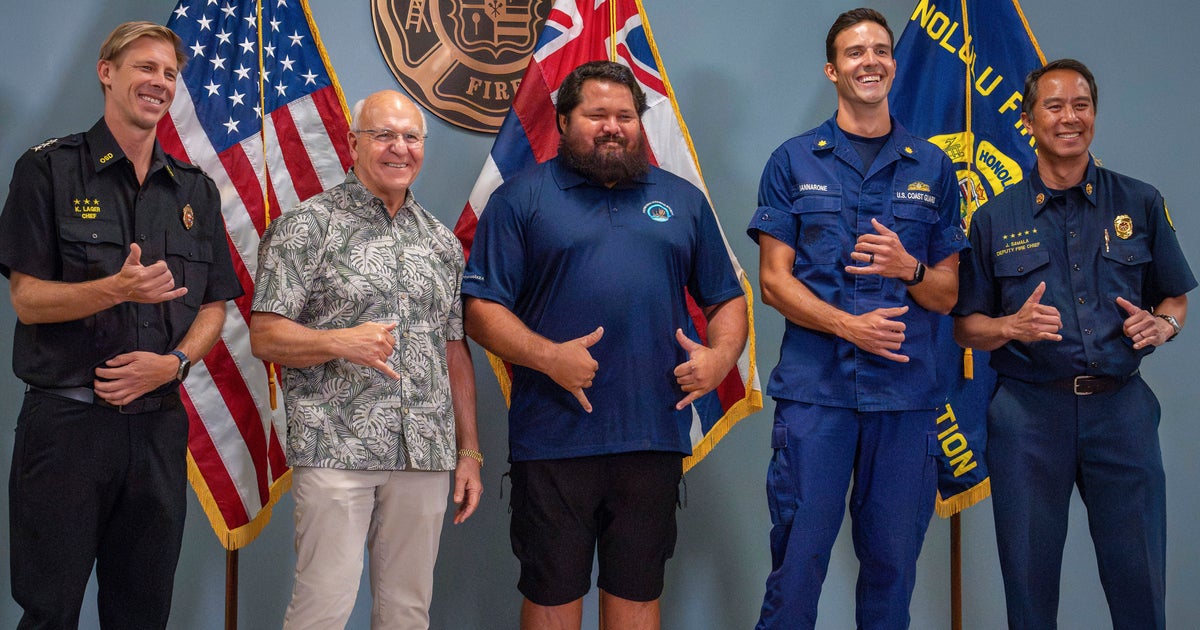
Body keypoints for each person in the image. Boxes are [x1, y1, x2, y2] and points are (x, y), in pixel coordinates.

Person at [461, 60, 747, 630]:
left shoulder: (682, 200)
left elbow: (726, 299)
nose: (613, 126)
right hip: (553, 436)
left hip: (651, 434)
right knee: (551, 594)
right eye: (597, 115)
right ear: (565, 121)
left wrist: (720, 358)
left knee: (638, 592)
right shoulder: (520, 199)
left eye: (625, 116)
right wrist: (550, 357)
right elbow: (480, 310)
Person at [0, 21, 243, 629]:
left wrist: (176, 364)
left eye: (168, 73)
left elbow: (214, 303)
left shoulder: (196, 191)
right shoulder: (47, 171)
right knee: (49, 611)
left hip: (157, 428)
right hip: (67, 429)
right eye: (144, 67)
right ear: (107, 72)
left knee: (142, 614)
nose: (158, 82)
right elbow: (27, 300)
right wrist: (116, 289)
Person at [953, 58, 1195, 629]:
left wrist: (1164, 327)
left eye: (1081, 106)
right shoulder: (993, 217)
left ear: (1094, 115)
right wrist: (1009, 327)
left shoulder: (1140, 202)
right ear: (1030, 120)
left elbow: (1174, 300)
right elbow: (965, 326)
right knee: (1029, 585)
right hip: (1029, 417)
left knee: (1139, 579)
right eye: (1055, 107)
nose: (1070, 118)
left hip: (1121, 411)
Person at [747, 8, 967, 629]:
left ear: (894, 65)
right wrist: (849, 327)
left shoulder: (932, 166)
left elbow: (949, 294)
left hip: (904, 399)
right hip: (817, 396)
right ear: (832, 69)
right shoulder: (792, 161)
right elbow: (773, 283)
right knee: (797, 568)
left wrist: (911, 269)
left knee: (892, 571)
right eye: (853, 52)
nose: (869, 61)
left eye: (879, 50)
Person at [249, 90, 481, 630]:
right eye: (383, 135)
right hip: (335, 447)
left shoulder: (442, 243)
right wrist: (339, 342)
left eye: (410, 137)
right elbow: (264, 335)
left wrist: (469, 450)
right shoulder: (307, 226)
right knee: (322, 609)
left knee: (407, 612)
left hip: (424, 452)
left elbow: (453, 349)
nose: (398, 147)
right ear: (353, 143)